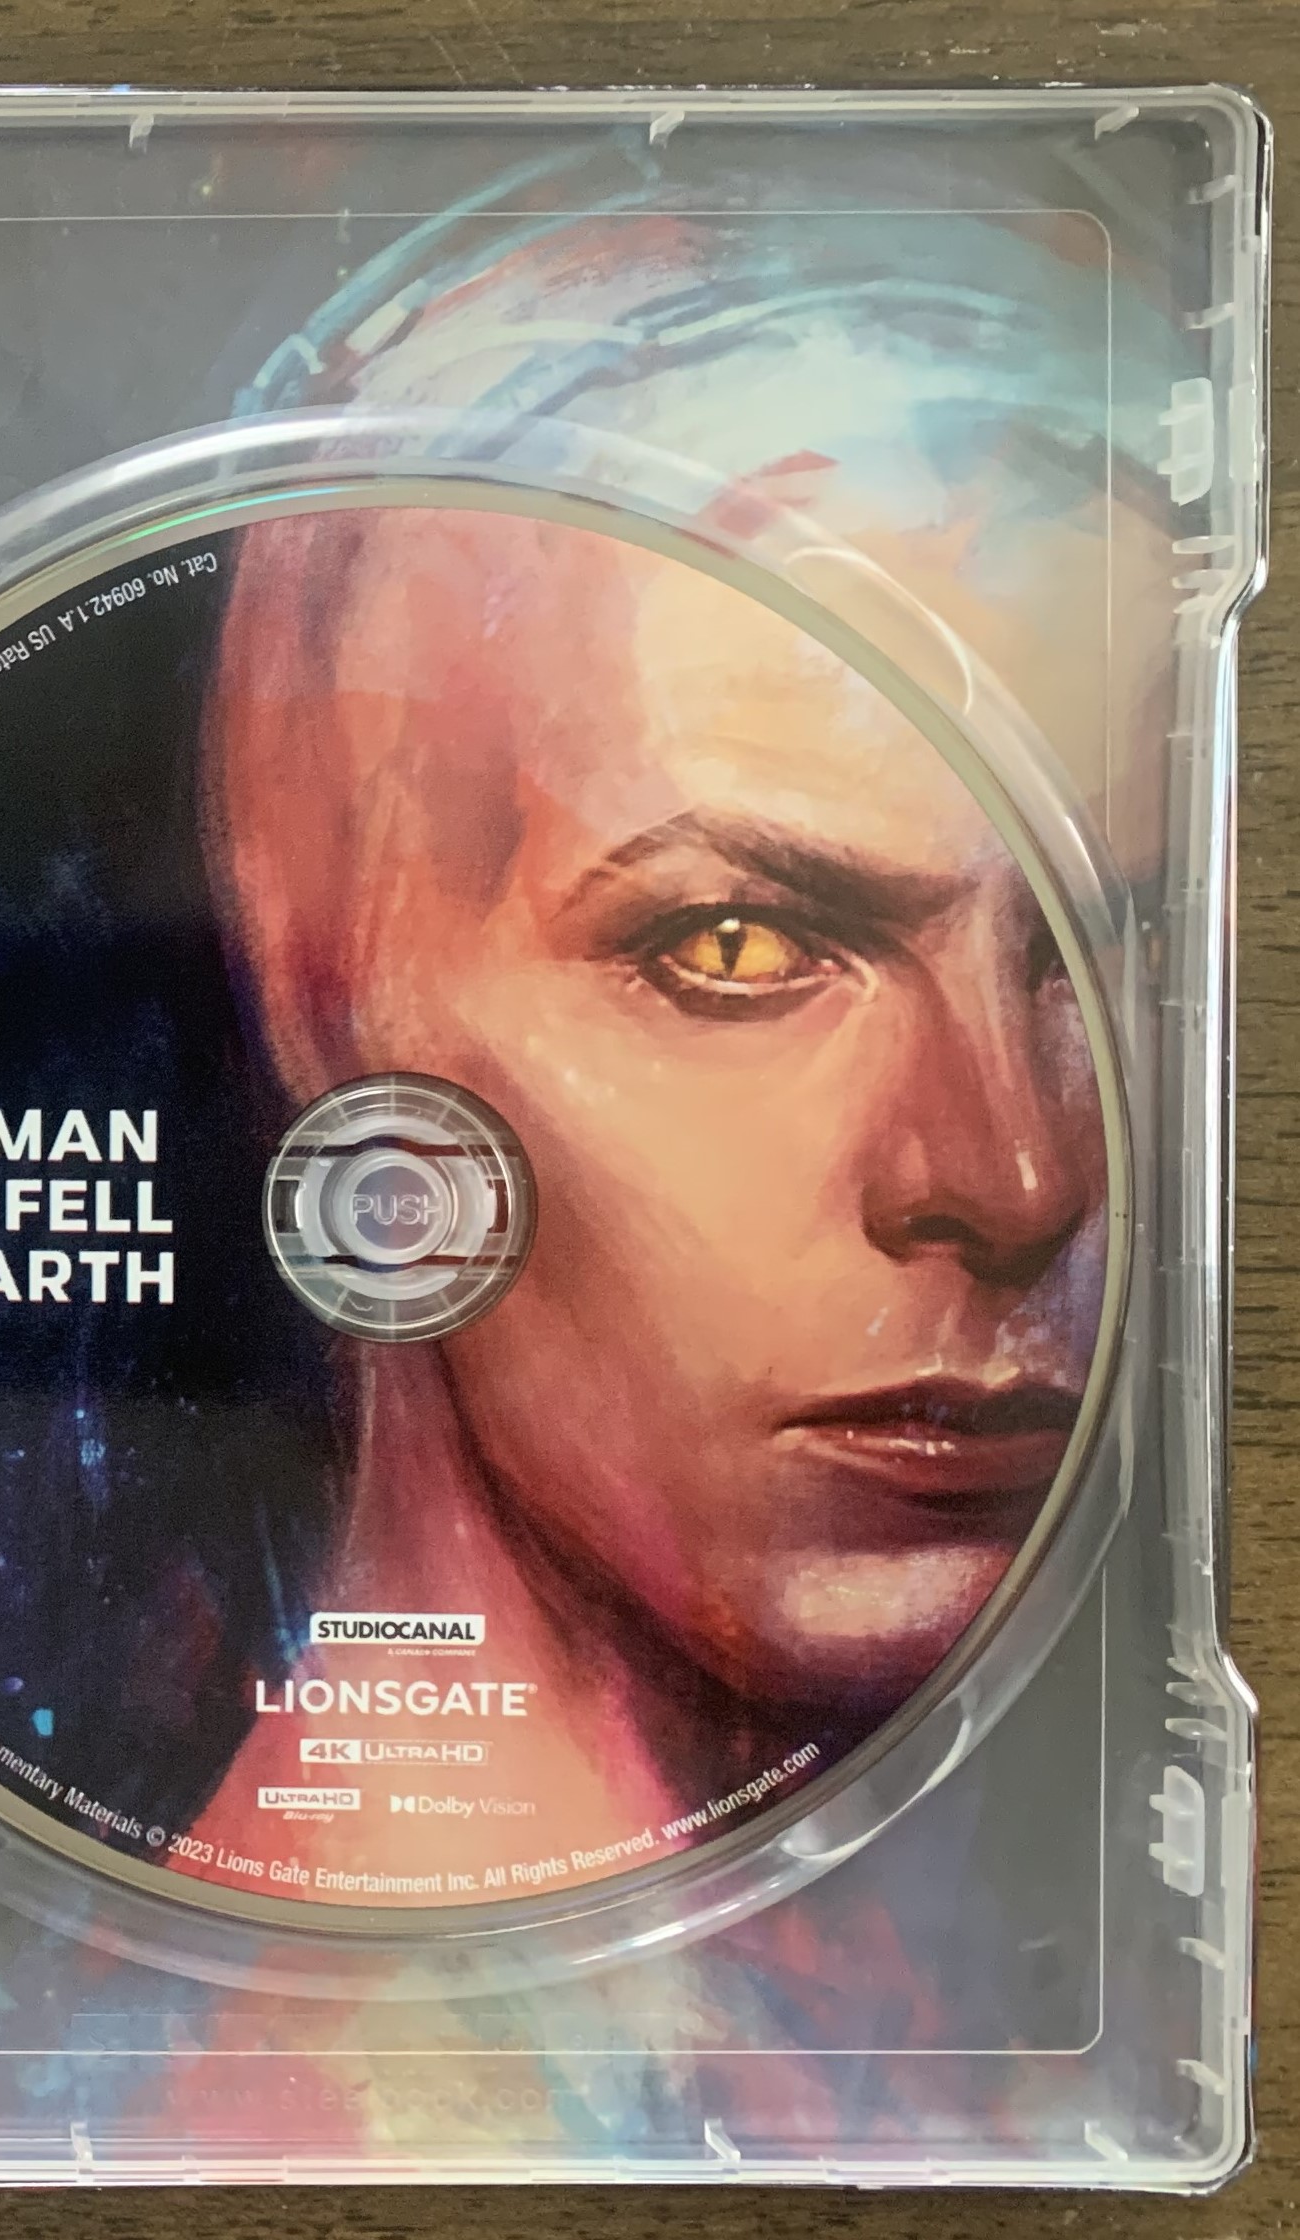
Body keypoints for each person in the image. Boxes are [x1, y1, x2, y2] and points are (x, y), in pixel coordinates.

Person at [173, 208, 1168, 1902]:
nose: (1013, 1177)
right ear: (329, 971)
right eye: (733, 948)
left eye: (1101, 949)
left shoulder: (1088, 1954)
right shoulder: (60, 2042)